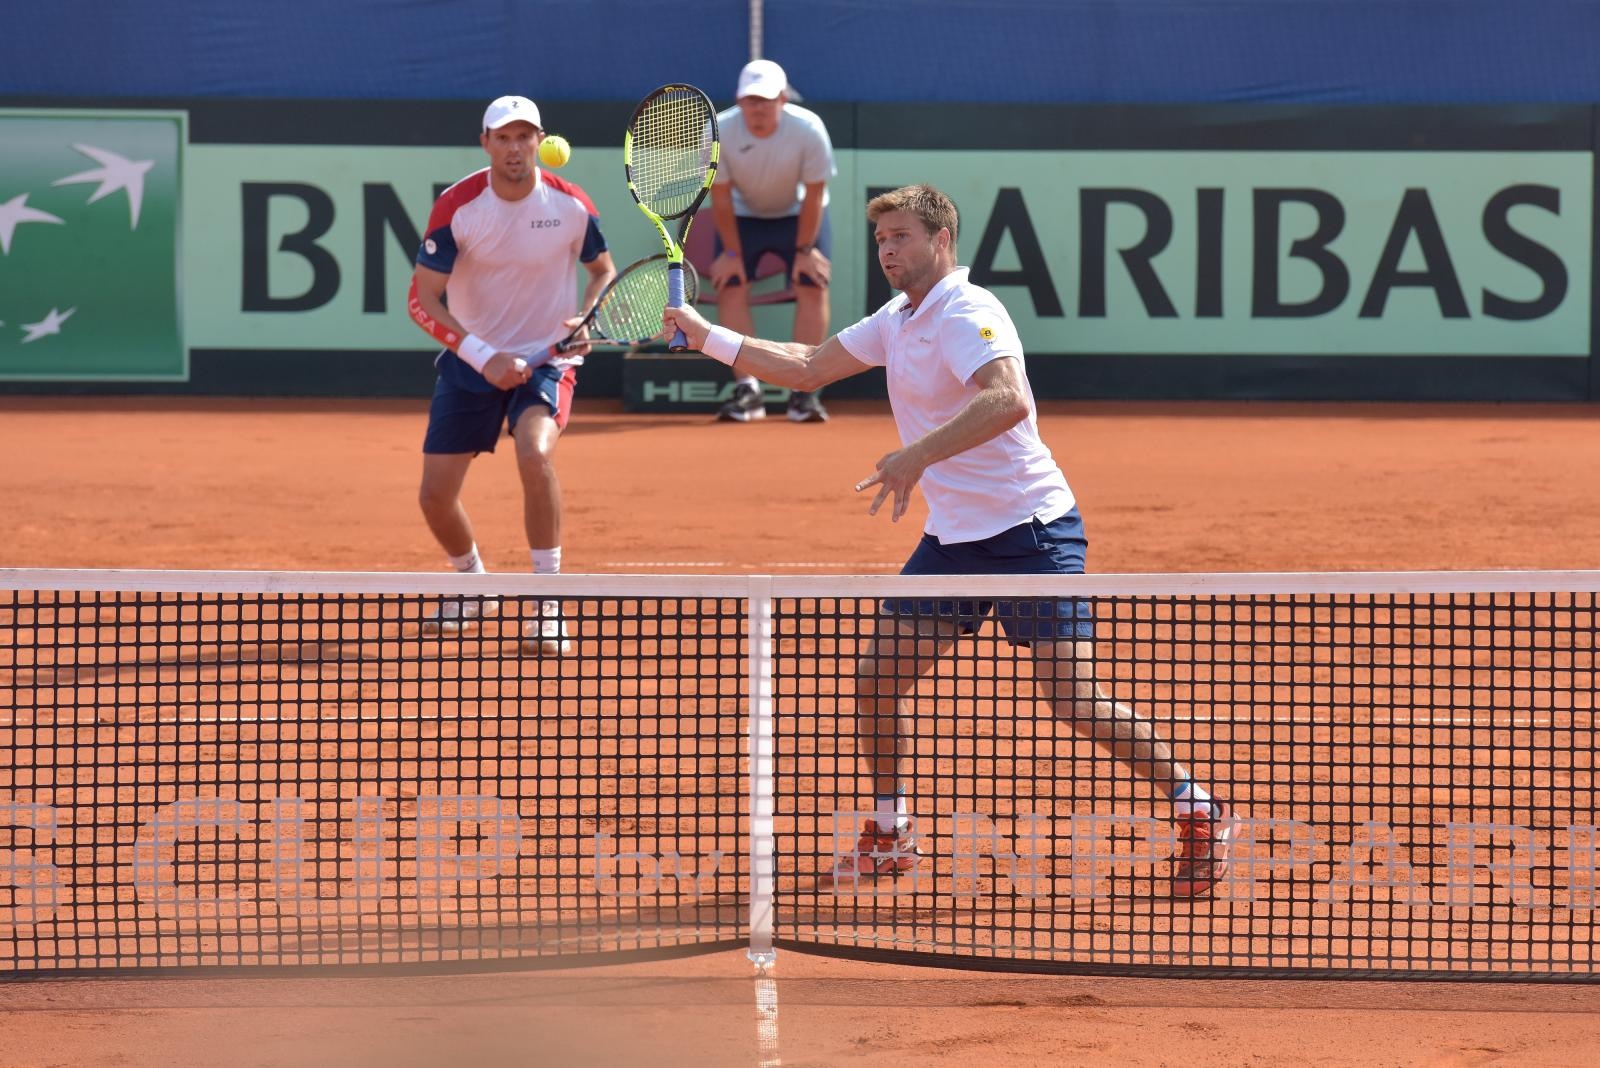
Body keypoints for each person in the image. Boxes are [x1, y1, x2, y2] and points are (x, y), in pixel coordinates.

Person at [663, 183, 1238, 898]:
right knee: (878, 682)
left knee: (1074, 699)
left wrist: (916, 455)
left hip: (1032, 531)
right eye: (880, 241)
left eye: (901, 237)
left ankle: (1198, 808)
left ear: (941, 241)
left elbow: (1007, 398)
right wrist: (705, 334)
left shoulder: (967, 311)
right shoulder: (899, 319)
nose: (887, 251)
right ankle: (892, 832)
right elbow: (808, 367)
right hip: (956, 540)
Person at [406, 95, 615, 654]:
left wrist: (587, 314)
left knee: (535, 452)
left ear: (540, 140)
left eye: (525, 136)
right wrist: (482, 356)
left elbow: (602, 270)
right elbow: (422, 299)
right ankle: (474, 586)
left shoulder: (572, 206)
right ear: (486, 145)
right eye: (503, 137)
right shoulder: (458, 206)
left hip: (548, 358)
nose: (515, 147)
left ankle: (548, 605)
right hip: (473, 362)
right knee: (434, 497)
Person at [708, 58, 836, 424]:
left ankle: (803, 390)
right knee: (730, 284)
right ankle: (748, 391)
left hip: (799, 215)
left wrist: (804, 251)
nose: (758, 108)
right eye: (751, 100)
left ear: (783, 98)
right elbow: (720, 196)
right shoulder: (719, 129)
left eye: (766, 99)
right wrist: (731, 253)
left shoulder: (809, 128)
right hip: (742, 216)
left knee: (812, 282)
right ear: (739, 99)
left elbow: (814, 194)